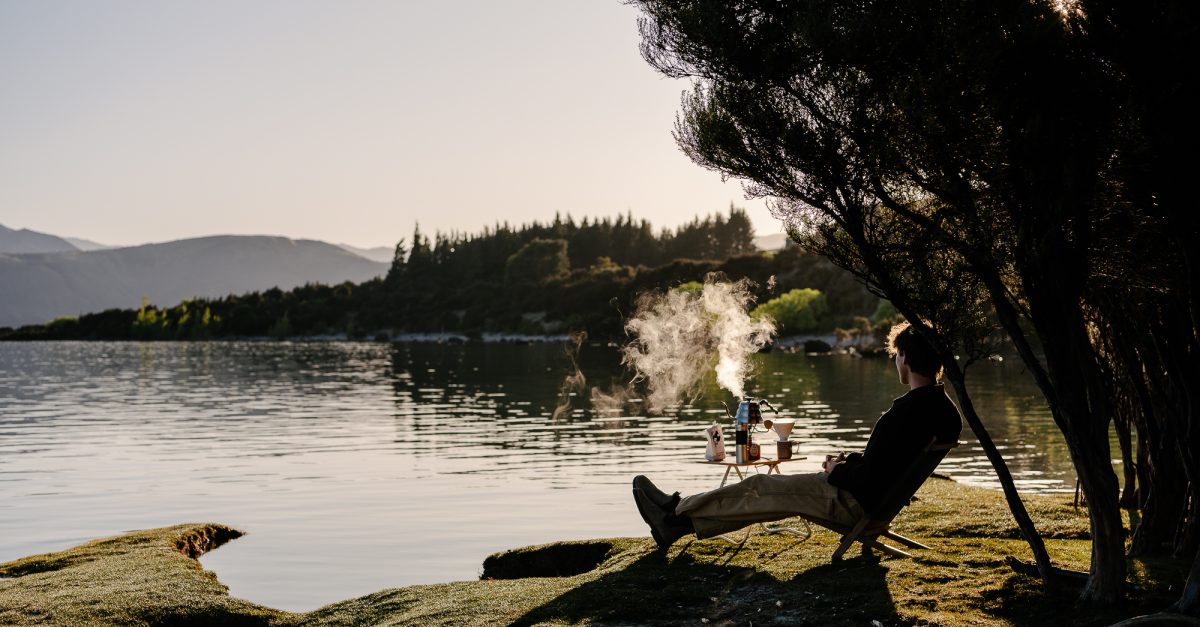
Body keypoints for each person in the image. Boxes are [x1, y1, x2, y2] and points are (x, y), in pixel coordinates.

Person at [632, 322, 963, 550]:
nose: (896, 362)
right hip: (872, 502)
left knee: (761, 487)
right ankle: (678, 522)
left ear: (905, 356)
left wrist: (837, 471)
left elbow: (870, 479)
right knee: (764, 496)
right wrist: (848, 463)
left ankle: (675, 513)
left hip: (852, 504)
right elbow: (889, 463)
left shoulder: (906, 412)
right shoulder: (942, 410)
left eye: (896, 356)